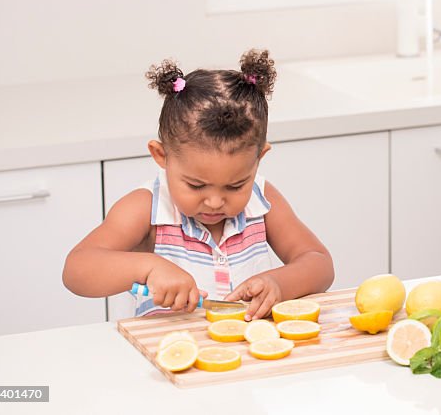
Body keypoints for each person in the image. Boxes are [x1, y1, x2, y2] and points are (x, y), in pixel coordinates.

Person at [63, 49, 334, 321]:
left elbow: (319, 263)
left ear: (259, 159)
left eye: (235, 186)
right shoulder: (146, 208)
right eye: (195, 186)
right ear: (162, 156)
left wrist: (280, 283)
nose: (215, 202)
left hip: (251, 355)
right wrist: (149, 267)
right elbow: (77, 270)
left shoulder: (262, 199)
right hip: (170, 357)